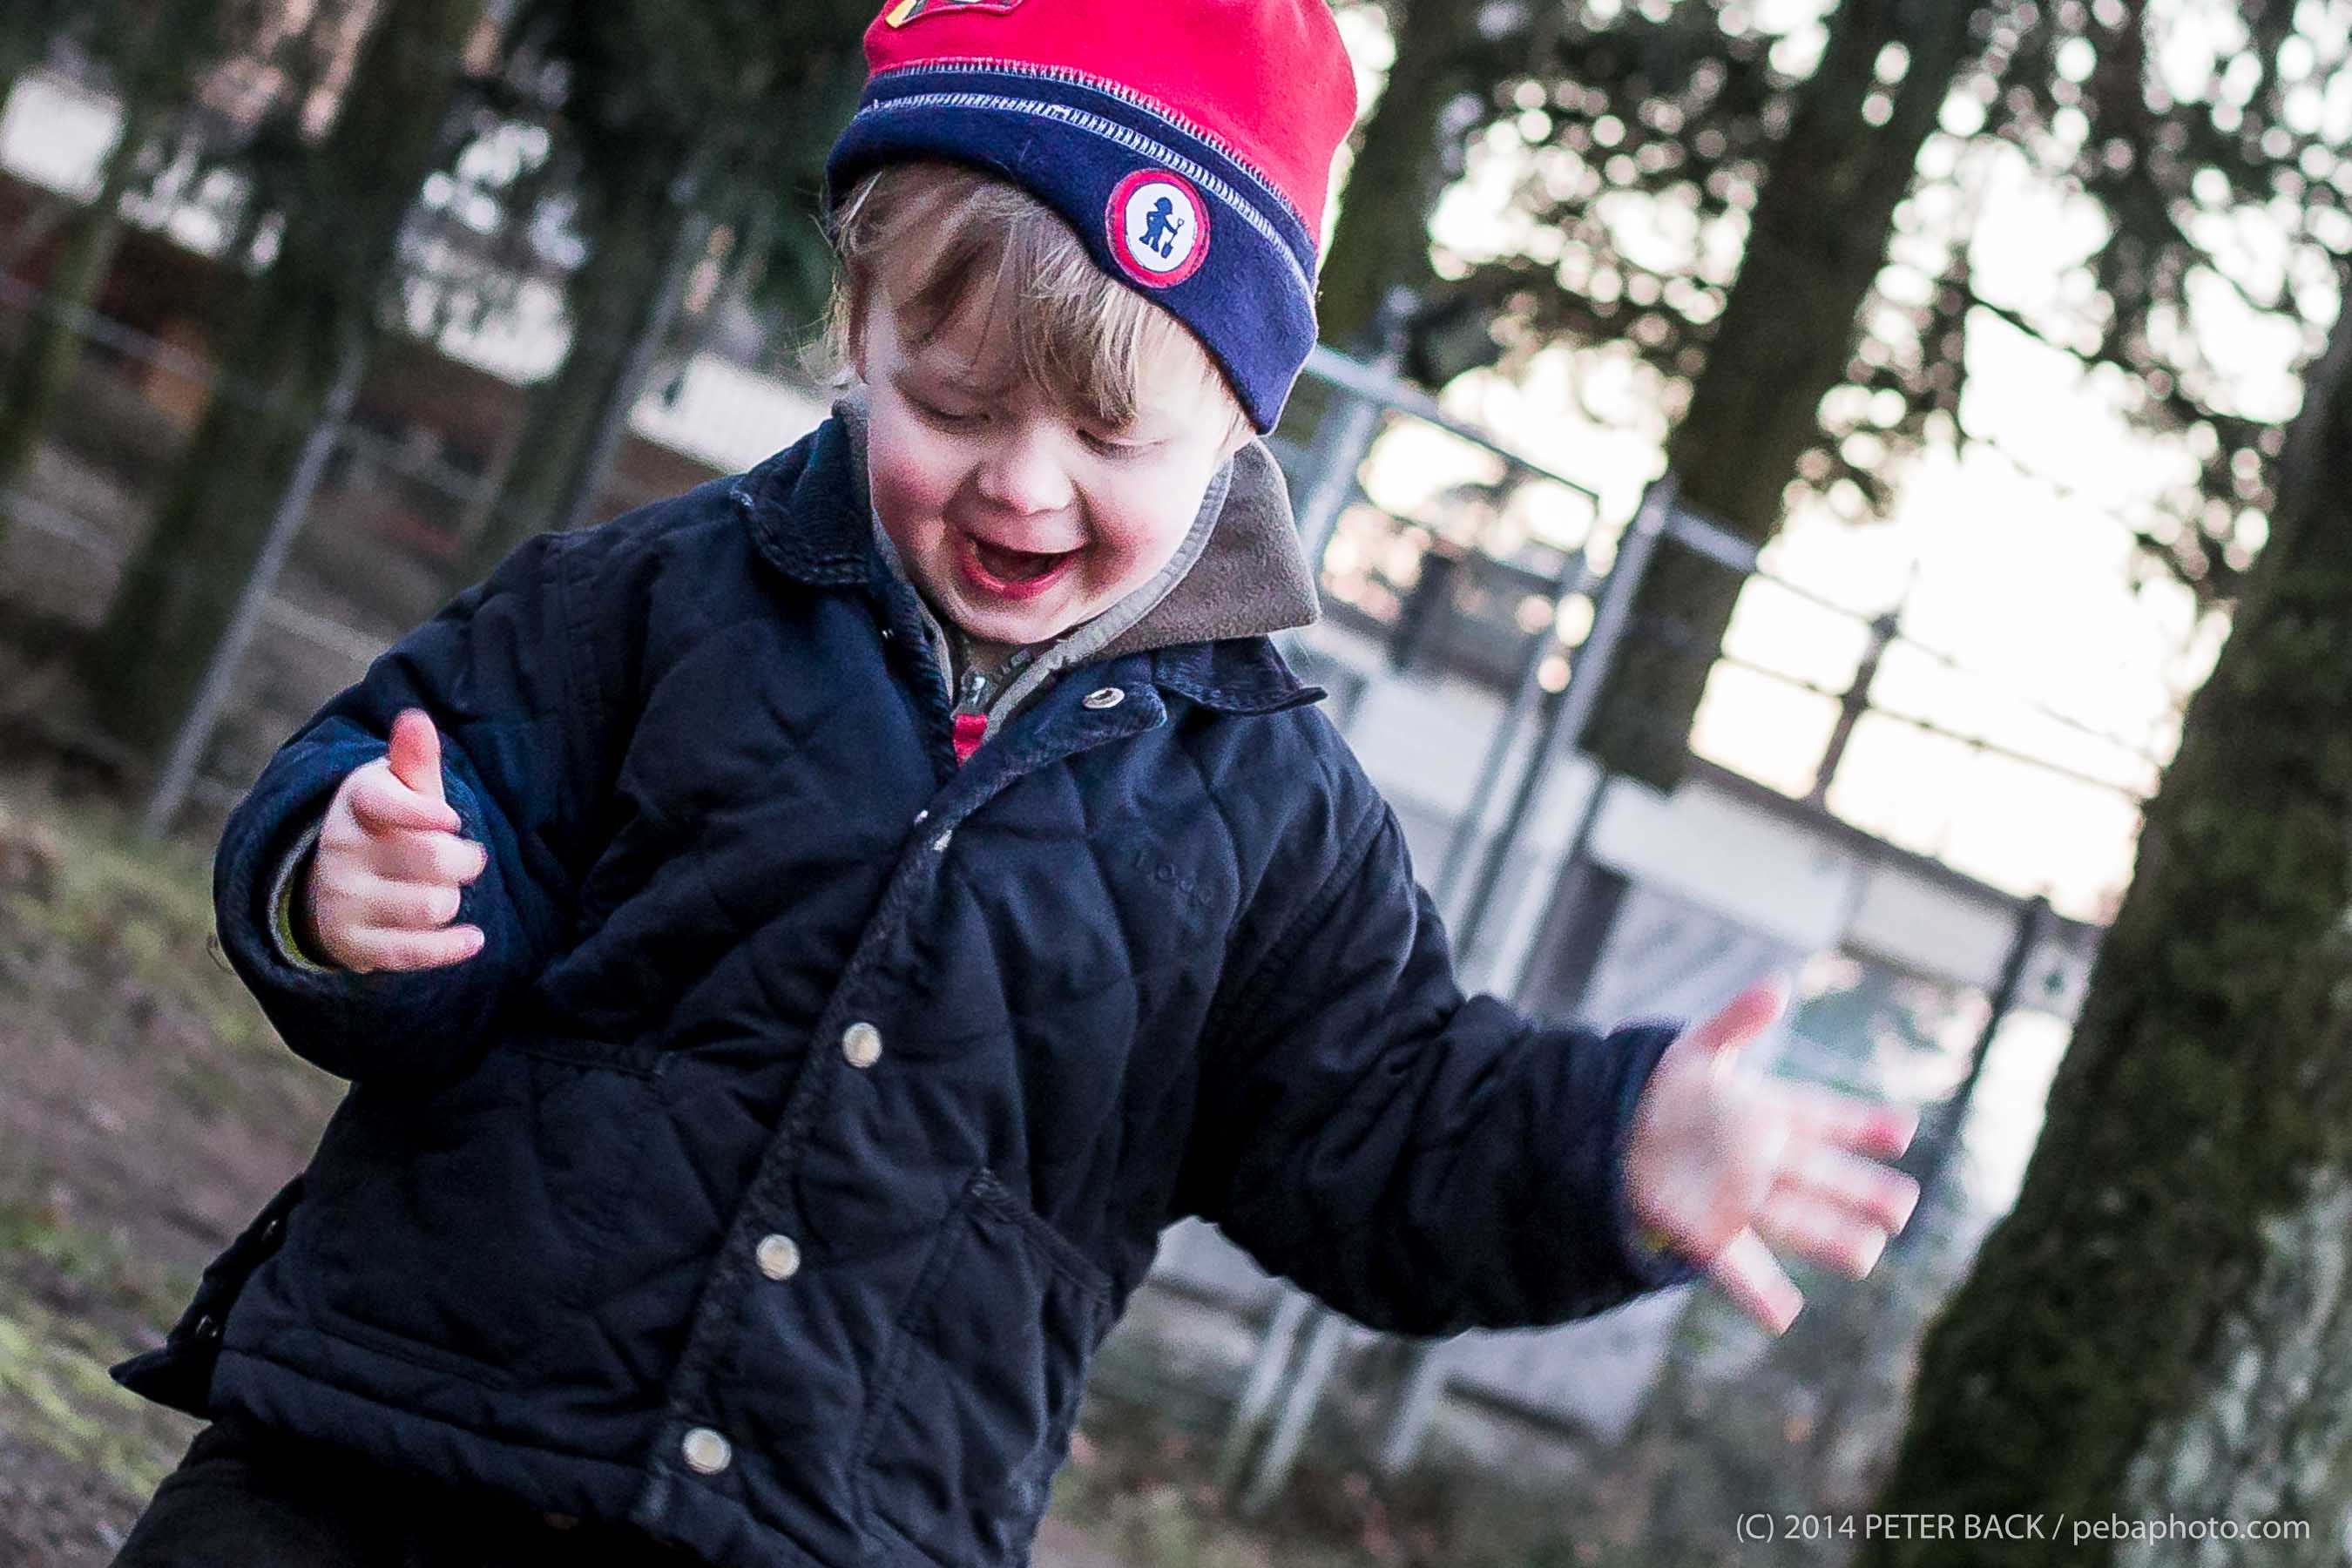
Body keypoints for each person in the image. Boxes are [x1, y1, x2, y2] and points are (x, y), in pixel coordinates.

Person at [109, 2, 1921, 1563]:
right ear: (863, 335)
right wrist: (354, 884)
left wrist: (1610, 1157)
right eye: (959, 404)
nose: (1024, 485)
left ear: (1239, 427)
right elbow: (421, 779)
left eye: (1112, 433)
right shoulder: (655, 599)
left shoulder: (1272, 821)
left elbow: (1385, 1128)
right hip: (381, 1458)